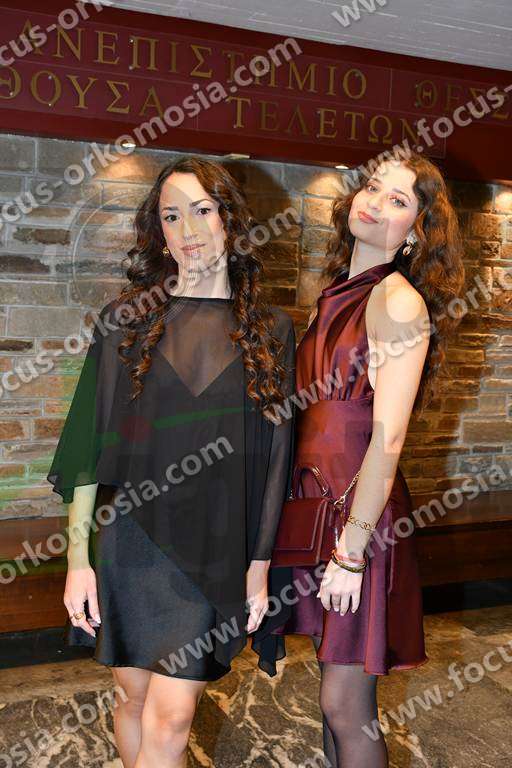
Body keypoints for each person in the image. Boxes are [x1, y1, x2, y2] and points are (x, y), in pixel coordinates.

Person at [47, 156, 295, 768]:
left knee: (173, 716)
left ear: (230, 219)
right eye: (171, 216)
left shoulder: (272, 330)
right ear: (158, 232)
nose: (188, 230)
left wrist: (259, 563)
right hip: (129, 541)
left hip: (215, 551)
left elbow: (275, 459)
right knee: (131, 698)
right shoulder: (124, 323)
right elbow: (86, 453)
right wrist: (77, 560)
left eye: (203, 210)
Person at [273, 151, 466, 768]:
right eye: (374, 188)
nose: (376, 203)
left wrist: (352, 552)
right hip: (316, 508)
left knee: (346, 705)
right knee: (329, 695)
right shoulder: (334, 294)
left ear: (417, 233)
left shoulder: (397, 300)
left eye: (398, 200)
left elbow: (388, 439)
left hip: (362, 521)